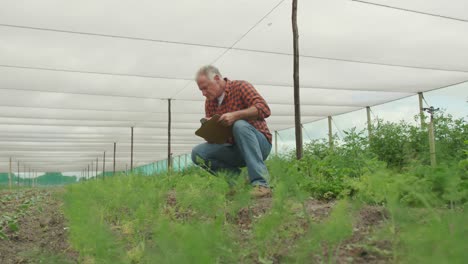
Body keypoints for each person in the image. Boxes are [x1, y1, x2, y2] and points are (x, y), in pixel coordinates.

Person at [191, 65, 273, 198]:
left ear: (217, 79)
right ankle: (240, 181)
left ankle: (261, 184)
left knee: (239, 125)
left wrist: (235, 115)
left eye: (205, 88)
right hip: (235, 149)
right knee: (198, 153)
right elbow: (217, 141)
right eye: (201, 90)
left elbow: (264, 109)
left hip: (259, 144)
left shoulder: (240, 87)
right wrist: (210, 127)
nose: (204, 93)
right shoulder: (210, 102)